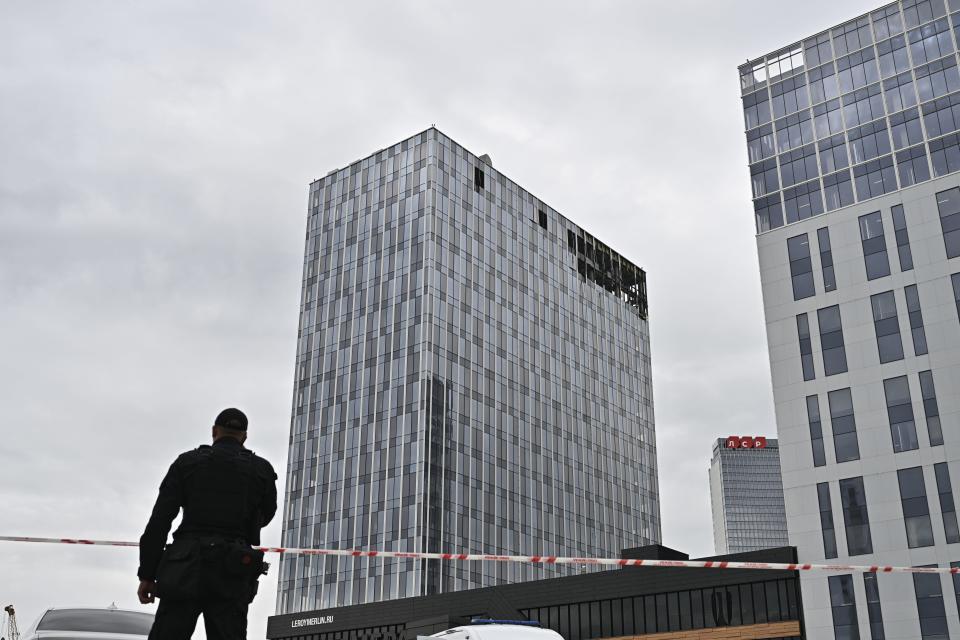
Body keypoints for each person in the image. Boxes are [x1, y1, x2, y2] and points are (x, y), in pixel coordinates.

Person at [136, 408, 278, 640]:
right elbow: (267, 514)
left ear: (214, 431)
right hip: (232, 571)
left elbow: (159, 521)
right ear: (244, 436)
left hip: (184, 567)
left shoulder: (187, 463)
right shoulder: (261, 469)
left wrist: (147, 574)